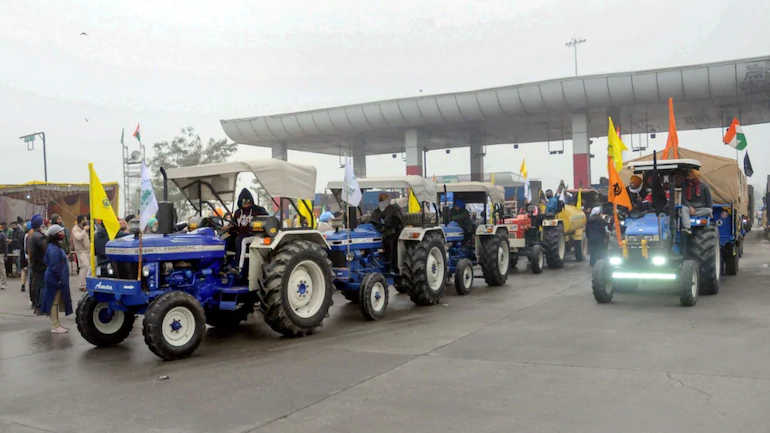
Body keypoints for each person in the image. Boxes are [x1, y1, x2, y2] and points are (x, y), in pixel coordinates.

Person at [39, 225, 73, 334]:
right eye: (60, 232)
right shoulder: (53, 248)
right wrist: (59, 279)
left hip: (54, 277)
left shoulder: (54, 246)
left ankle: (57, 324)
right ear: (54, 235)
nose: (62, 234)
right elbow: (54, 266)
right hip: (54, 279)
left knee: (55, 302)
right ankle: (55, 326)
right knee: (54, 302)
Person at [227, 188, 268, 269]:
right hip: (241, 234)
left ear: (251, 200)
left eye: (247, 200)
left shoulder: (258, 210)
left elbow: (267, 221)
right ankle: (226, 263)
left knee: (240, 240)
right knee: (226, 240)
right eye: (243, 201)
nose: (245, 202)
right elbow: (234, 225)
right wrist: (228, 228)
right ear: (240, 201)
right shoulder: (238, 212)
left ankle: (238, 267)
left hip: (254, 235)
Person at [369, 193, 403, 270]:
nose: (382, 202)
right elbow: (373, 221)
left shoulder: (394, 210)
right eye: (381, 201)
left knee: (390, 243)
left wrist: (385, 228)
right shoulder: (377, 211)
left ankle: (391, 266)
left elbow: (397, 222)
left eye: (384, 200)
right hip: (379, 233)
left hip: (392, 234)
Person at [27, 215, 47, 313]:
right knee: (41, 286)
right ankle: (39, 306)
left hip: (35, 264)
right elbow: (46, 249)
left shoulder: (32, 235)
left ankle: (36, 305)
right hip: (40, 265)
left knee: (36, 285)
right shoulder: (38, 237)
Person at [71, 215, 90, 292]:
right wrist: (84, 230)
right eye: (85, 219)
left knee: (87, 267)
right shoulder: (75, 229)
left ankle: (86, 284)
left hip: (87, 251)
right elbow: (78, 237)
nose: (86, 221)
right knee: (84, 266)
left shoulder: (83, 228)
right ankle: (82, 285)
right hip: (81, 251)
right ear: (81, 220)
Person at [0, 222, 7, 290]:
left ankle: (3, 283)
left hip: (0, 254)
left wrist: (5, 254)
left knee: (2, 269)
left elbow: (5, 245)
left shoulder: (2, 235)